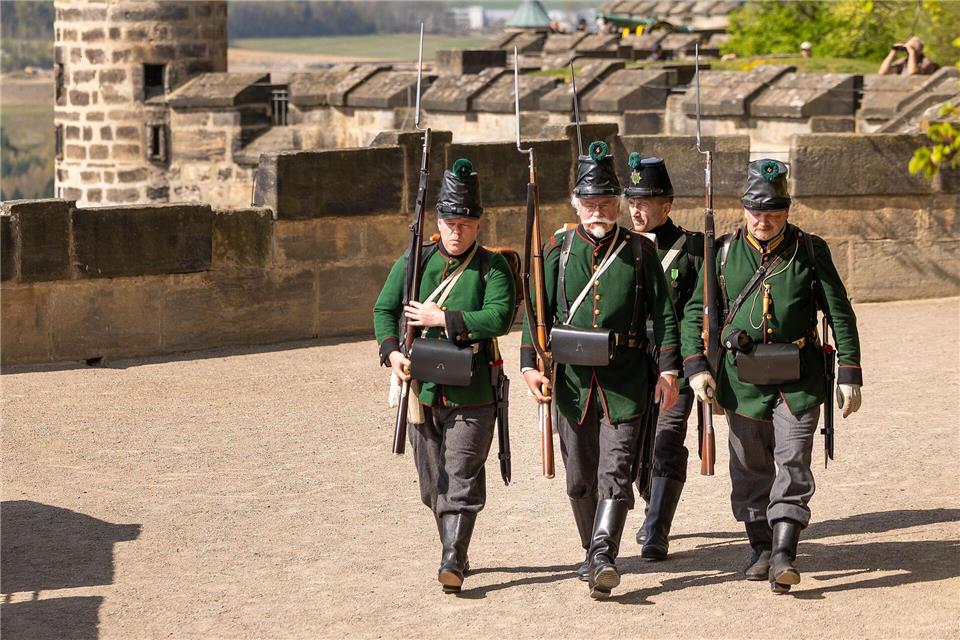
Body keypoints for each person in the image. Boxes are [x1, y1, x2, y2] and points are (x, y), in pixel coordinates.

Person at [680, 159, 863, 594]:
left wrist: (850, 372)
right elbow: (694, 312)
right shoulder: (721, 252)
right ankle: (760, 547)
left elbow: (839, 312)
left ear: (787, 210)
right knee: (748, 468)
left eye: (774, 212)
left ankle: (784, 554)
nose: (764, 220)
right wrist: (695, 366)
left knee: (794, 459)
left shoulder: (811, 250)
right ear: (744, 209)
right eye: (757, 211)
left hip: (798, 380)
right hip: (741, 380)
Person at [520, 140, 681, 599]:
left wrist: (668, 371)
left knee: (617, 471)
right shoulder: (556, 250)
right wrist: (530, 365)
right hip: (572, 384)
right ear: (577, 204)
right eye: (590, 203)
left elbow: (666, 316)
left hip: (626, 381)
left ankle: (605, 554)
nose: (599, 211)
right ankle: (592, 551)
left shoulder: (639, 252)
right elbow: (536, 313)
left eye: (607, 203)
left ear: (618, 204)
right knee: (578, 480)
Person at [373, 158, 517, 594]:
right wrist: (392, 352)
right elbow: (384, 309)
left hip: (473, 389)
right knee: (431, 486)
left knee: (462, 474)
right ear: (438, 222)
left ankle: (451, 557)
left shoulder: (494, 268)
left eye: (466, 223)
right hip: (424, 389)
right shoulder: (415, 262)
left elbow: (498, 317)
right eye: (450, 222)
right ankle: (455, 549)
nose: (457, 230)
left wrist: (442, 317)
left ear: (478, 224)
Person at [623, 153, 703, 561]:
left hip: (677, 359)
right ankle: (649, 501)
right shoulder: (620, 249)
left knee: (668, 440)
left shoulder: (692, 250)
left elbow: (702, 310)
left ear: (666, 206)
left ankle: (657, 528)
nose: (636, 210)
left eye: (645, 202)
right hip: (630, 362)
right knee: (634, 442)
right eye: (632, 201)